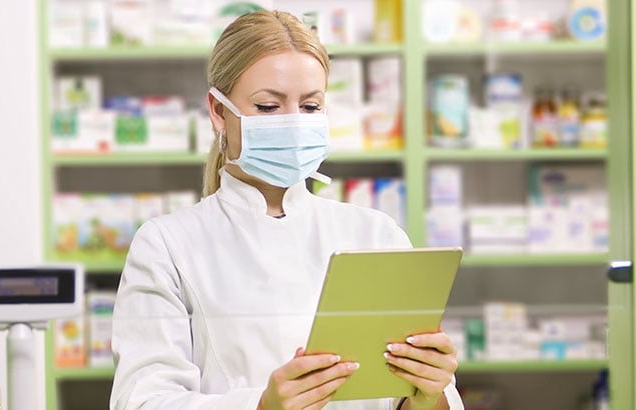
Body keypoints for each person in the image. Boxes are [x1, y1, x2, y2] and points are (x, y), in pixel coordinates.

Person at [110, 9, 463, 410]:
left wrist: (430, 392)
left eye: (310, 107)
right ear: (218, 111)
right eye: (267, 107)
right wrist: (261, 406)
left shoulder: (376, 234)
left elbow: (407, 398)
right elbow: (141, 401)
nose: (293, 123)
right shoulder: (168, 244)